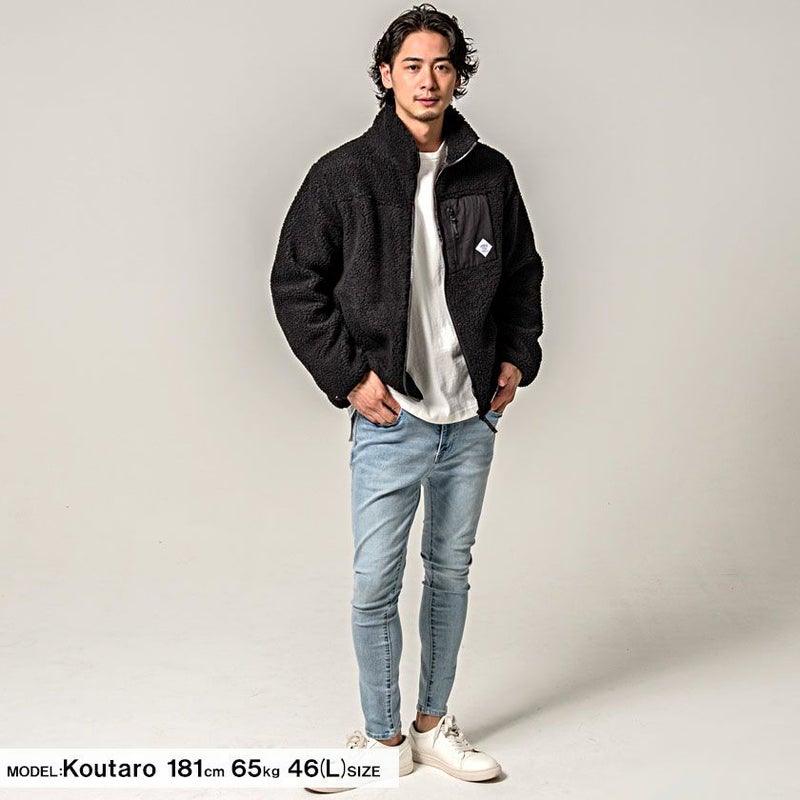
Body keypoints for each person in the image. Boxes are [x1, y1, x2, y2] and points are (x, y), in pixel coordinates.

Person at [270, 2, 544, 786]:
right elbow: (295, 283)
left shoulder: (490, 174)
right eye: (413, 66)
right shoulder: (344, 175)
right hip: (394, 415)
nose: (429, 80)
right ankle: (381, 737)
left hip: (471, 416)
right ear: (386, 75)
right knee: (374, 584)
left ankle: (432, 725)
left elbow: (522, 272)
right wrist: (350, 378)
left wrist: (516, 358)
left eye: (442, 65)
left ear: (459, 77)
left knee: (450, 572)